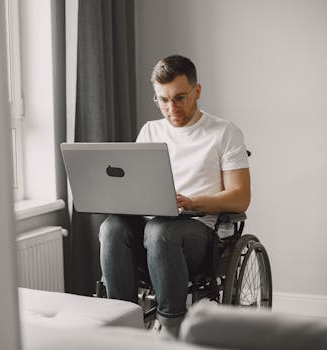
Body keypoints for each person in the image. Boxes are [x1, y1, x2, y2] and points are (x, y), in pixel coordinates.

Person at [98, 55, 251, 338]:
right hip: (152, 227)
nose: (172, 108)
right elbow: (134, 187)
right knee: (112, 227)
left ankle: (171, 326)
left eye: (180, 98)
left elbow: (240, 198)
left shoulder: (224, 132)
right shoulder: (150, 131)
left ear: (197, 91)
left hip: (202, 232)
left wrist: (192, 202)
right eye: (163, 100)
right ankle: (122, 321)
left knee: (160, 230)